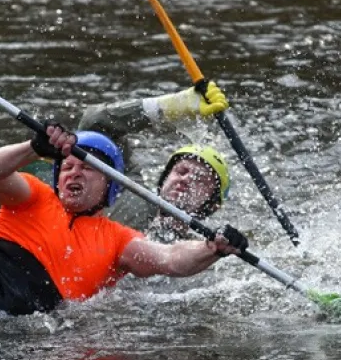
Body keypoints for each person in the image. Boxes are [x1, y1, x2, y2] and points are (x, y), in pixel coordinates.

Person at [0, 123, 249, 320]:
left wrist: (212, 249)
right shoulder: (31, 195)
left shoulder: (118, 239)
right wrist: (33, 148)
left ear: (110, 185)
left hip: (37, 323)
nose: (74, 173)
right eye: (68, 167)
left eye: (87, 168)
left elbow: (171, 258)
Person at [76, 81, 233, 241]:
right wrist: (168, 107)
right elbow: (94, 123)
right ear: (164, 178)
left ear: (212, 205)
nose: (186, 179)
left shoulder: (204, 251)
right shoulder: (126, 188)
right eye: (181, 171)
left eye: (199, 179)